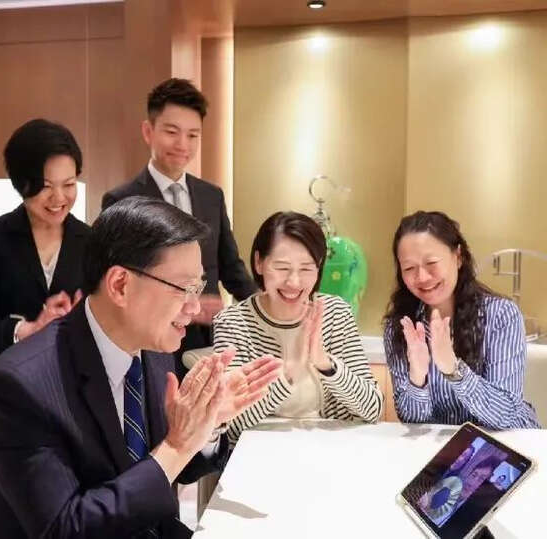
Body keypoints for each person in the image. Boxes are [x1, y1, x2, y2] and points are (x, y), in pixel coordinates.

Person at [0, 197, 281, 538]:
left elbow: (163, 469)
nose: (195, 308)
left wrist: (205, 425)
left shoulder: (152, 347)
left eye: (198, 288)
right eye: (184, 289)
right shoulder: (19, 385)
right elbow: (67, 528)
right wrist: (178, 445)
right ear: (120, 285)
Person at [102, 78, 256, 377]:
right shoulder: (122, 200)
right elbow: (119, 283)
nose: (182, 144)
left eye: (192, 135)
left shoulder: (212, 196)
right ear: (148, 131)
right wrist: (186, 301)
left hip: (206, 345)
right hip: (149, 347)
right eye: (172, 132)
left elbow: (231, 269)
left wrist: (263, 311)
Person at [213, 211, 382, 446]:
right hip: (259, 454)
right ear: (259, 262)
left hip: (330, 450)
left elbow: (373, 409)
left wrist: (325, 364)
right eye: (282, 268)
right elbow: (229, 427)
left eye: (306, 269)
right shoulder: (234, 322)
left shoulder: (335, 313)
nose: (294, 282)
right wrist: (289, 372)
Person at [383, 211, 540, 429]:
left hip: (507, 442)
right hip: (442, 446)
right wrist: (418, 378)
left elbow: (506, 416)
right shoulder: (401, 327)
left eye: (431, 263)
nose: (422, 277)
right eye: (409, 268)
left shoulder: (501, 315)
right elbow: (411, 421)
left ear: (458, 257)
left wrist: (452, 369)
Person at [0, 119, 89, 386]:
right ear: (21, 183)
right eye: (45, 186)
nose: (59, 198)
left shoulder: (90, 240)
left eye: (68, 184)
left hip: (65, 384)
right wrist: (26, 330)